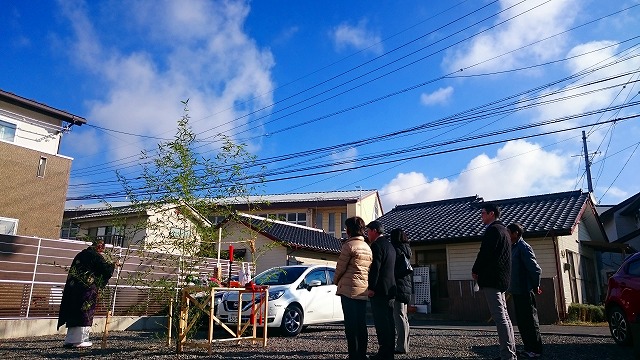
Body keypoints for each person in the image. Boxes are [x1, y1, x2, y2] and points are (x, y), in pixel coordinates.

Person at [472, 203, 516, 360]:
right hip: (502, 278)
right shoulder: (504, 230)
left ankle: (508, 355)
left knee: (500, 317)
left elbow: (484, 253)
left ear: (491, 214)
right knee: (505, 316)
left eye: (483, 213)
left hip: (492, 278)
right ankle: (510, 353)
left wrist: (476, 270)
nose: (481, 216)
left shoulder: (493, 230)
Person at [57, 240, 116, 348]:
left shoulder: (80, 255)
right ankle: (80, 340)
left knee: (73, 311)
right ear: (100, 248)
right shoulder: (95, 256)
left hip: (73, 288)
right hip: (86, 289)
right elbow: (106, 271)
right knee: (84, 312)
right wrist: (113, 265)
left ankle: (70, 339)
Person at [334, 216, 373, 360]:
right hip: (362, 288)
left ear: (349, 230)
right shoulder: (367, 247)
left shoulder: (348, 246)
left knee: (350, 325)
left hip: (348, 289)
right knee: (361, 323)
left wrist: (336, 281)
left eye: (346, 228)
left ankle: (353, 355)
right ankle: (362, 354)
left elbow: (340, 268)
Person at [507, 223, 543, 358]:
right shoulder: (512, 247)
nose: (507, 235)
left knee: (530, 321)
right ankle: (528, 347)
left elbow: (535, 269)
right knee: (522, 321)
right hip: (516, 290)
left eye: (508, 232)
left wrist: (536, 285)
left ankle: (536, 349)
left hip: (525, 289)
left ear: (516, 233)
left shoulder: (523, 247)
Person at [366, 220, 396, 360]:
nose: (367, 234)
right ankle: (389, 351)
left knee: (381, 322)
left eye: (368, 231)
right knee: (389, 320)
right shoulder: (390, 246)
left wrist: (371, 287)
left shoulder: (377, 245)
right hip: (390, 288)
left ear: (374, 230)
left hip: (379, 290)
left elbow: (375, 269)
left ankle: (384, 352)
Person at [390, 228, 412, 355]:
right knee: (404, 317)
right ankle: (405, 345)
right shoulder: (406, 249)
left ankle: (401, 347)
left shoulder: (395, 249)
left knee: (398, 316)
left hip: (398, 286)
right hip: (407, 286)